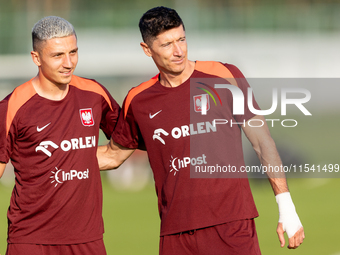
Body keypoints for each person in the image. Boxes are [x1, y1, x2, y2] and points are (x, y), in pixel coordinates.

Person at [98, 6, 305, 255]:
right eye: (167, 45)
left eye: (182, 39)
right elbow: (113, 155)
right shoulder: (138, 99)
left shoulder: (224, 75)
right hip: (176, 233)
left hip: (232, 226)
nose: (179, 51)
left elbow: (262, 142)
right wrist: (54, 155)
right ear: (147, 49)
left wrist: (287, 207)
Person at [0, 16, 121, 255]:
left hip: (88, 239)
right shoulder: (13, 106)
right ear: (36, 58)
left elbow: (125, 141)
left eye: (73, 52)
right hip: (31, 240)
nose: (68, 63)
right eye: (57, 55)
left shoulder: (94, 93)